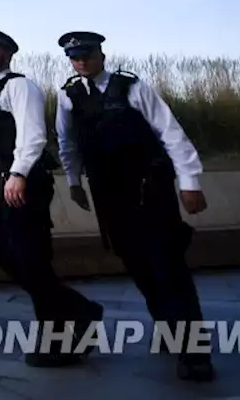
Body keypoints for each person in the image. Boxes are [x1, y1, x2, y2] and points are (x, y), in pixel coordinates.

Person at [53, 31, 215, 383]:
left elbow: (171, 132)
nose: (81, 62)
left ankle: (194, 353)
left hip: (148, 189)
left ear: (101, 55)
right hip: (109, 196)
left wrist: (189, 182)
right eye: (75, 57)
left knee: (167, 265)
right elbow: (67, 142)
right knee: (138, 265)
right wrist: (74, 181)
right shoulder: (69, 96)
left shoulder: (131, 87)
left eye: (87, 55)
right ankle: (168, 326)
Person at [0, 28, 104, 366]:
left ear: (8, 53)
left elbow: (33, 136)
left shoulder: (19, 86)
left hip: (19, 181)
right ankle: (79, 310)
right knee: (0, 252)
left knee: (31, 258)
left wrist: (19, 174)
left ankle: (58, 336)